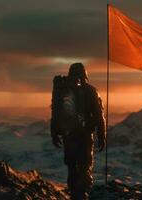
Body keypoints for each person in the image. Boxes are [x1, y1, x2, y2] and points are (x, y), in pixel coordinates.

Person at [50, 63, 106, 200]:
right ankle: (82, 196)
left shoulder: (63, 91)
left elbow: (56, 112)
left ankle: (75, 195)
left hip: (68, 136)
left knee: (72, 169)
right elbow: (99, 115)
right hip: (85, 137)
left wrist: (54, 133)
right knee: (84, 169)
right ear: (85, 75)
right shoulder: (90, 91)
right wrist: (102, 135)